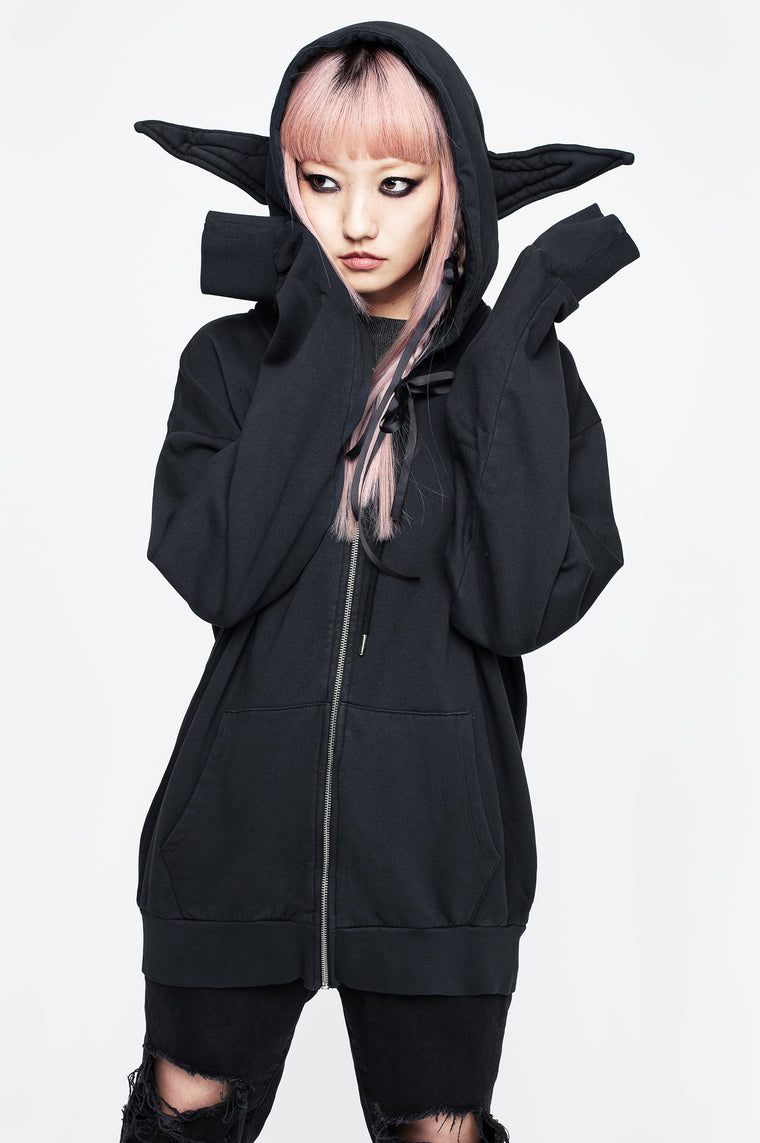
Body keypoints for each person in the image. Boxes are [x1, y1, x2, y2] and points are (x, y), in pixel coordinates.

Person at [120, 20, 639, 1143]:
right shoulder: (230, 364)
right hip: (231, 839)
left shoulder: (526, 377)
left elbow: (514, 604)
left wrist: (512, 339)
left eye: (396, 184)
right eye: (319, 183)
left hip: (441, 854)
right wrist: (315, 333)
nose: (354, 221)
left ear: (457, 191)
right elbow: (219, 572)